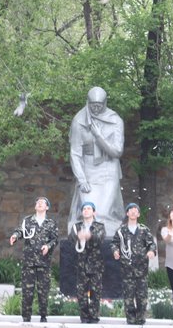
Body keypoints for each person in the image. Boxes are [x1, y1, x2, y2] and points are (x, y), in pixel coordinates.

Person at [68, 86, 125, 236]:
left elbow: (117, 151)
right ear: (88, 102)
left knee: (104, 212)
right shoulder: (79, 121)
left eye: (99, 105)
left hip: (109, 167)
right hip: (88, 168)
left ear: (105, 103)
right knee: (89, 209)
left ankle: (108, 240)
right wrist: (82, 179)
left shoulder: (115, 120)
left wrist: (99, 136)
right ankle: (86, 240)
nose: (96, 109)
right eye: (93, 105)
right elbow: (75, 153)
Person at [10, 196, 59, 323]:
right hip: (29, 262)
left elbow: (55, 239)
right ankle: (26, 319)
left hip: (44, 262)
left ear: (47, 207)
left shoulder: (51, 223)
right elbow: (20, 231)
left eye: (43, 202)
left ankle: (43, 317)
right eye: (38, 202)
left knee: (43, 291)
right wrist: (15, 236)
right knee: (27, 292)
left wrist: (48, 246)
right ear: (35, 206)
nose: (40, 203)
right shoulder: (27, 220)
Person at [111, 203, 157, 325]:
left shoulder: (144, 230)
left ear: (138, 214)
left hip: (141, 269)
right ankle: (131, 320)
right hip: (127, 269)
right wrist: (115, 251)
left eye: (135, 210)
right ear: (127, 213)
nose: (132, 211)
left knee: (142, 297)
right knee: (128, 297)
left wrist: (151, 251)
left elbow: (151, 244)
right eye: (130, 210)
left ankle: (140, 318)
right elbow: (114, 243)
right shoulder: (121, 231)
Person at [68, 201, 106, 323]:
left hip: (96, 265)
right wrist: (78, 237)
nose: (86, 210)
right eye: (84, 209)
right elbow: (71, 238)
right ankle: (84, 317)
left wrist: (89, 235)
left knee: (96, 292)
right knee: (81, 292)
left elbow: (100, 238)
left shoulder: (99, 226)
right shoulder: (77, 226)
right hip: (81, 265)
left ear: (94, 212)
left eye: (89, 208)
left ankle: (94, 316)